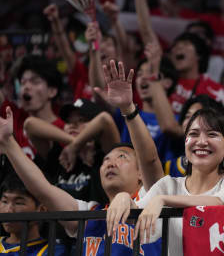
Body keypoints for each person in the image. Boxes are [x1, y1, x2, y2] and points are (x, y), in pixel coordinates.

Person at [0, 60, 165, 255]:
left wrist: (128, 109)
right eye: (106, 160)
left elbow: (150, 160)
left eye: (122, 157)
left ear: (140, 174)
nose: (110, 162)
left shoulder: (153, 200)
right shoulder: (89, 213)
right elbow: (42, 190)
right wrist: (9, 144)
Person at [107, 108, 224, 256]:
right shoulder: (168, 185)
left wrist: (163, 200)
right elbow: (138, 219)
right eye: (193, 134)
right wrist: (123, 198)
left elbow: (221, 204)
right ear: (185, 143)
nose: (201, 142)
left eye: (212, 134)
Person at [0, 55, 64, 160]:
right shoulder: (13, 116)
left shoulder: (63, 129)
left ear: (52, 91)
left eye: (35, 81)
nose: (26, 87)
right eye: (22, 82)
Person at [0, 173, 66, 255]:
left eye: (18, 203)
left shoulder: (52, 251)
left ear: (42, 209)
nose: (8, 210)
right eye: (4, 201)